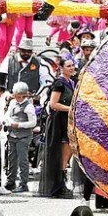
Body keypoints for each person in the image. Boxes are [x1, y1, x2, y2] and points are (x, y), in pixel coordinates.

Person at [45, 60, 76, 198]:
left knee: (67, 153)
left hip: (68, 120)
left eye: (72, 65)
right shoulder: (59, 83)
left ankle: (61, 183)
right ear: (61, 68)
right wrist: (71, 109)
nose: (71, 68)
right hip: (59, 121)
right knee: (61, 153)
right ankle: (58, 185)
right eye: (68, 66)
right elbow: (53, 104)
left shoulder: (72, 82)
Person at [2, 83, 35, 194]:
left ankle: (23, 183)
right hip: (12, 134)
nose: (17, 98)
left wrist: (20, 125)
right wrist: (8, 121)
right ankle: (10, 181)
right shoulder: (12, 103)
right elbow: (7, 115)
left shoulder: (28, 106)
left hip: (23, 136)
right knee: (11, 159)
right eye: (15, 96)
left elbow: (33, 122)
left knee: (22, 160)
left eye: (20, 96)